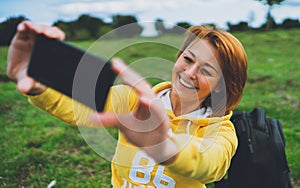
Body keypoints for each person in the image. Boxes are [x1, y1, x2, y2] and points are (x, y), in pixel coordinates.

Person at [7, 20, 247, 188]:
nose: (190, 72)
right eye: (187, 59)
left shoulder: (222, 130)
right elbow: (77, 109)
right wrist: (37, 84)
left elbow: (210, 166)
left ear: (221, 85)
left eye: (206, 70)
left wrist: (163, 147)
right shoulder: (136, 101)